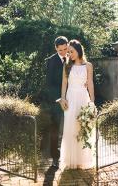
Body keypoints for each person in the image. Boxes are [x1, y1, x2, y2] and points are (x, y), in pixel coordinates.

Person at [58, 39, 95, 169]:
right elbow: (64, 83)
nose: (70, 54)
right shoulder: (67, 65)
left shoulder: (88, 65)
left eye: (71, 52)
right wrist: (63, 99)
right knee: (70, 128)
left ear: (79, 51)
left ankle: (82, 159)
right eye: (68, 52)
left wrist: (92, 101)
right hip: (71, 98)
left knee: (82, 127)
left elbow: (90, 83)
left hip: (83, 98)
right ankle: (70, 160)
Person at [44, 36, 69, 168]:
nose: (64, 52)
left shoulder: (74, 57)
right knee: (55, 130)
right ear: (56, 48)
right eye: (60, 51)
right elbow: (49, 84)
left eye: (65, 49)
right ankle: (55, 157)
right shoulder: (50, 61)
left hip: (72, 98)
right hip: (57, 101)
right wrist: (59, 99)